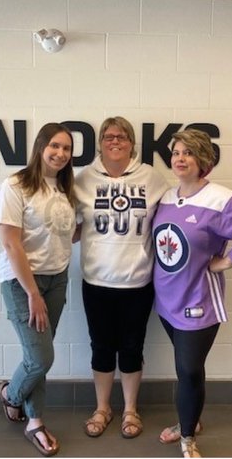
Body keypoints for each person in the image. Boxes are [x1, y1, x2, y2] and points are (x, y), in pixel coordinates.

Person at [151, 129, 232, 457]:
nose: (180, 158)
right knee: (183, 367)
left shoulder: (221, 199)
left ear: (203, 159)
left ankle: (187, 436)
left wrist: (225, 263)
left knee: (189, 369)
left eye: (188, 153)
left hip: (198, 301)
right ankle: (189, 419)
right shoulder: (164, 197)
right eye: (176, 152)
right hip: (165, 300)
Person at [73, 116, 170, 441]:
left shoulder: (151, 178)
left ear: (131, 143)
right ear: (100, 142)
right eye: (109, 136)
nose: (115, 141)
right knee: (100, 348)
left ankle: (130, 409)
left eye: (122, 137)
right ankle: (102, 408)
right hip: (96, 281)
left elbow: (172, 220)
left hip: (137, 283)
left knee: (131, 347)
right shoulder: (83, 179)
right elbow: (68, 226)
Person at [0, 122, 77, 456]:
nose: (60, 153)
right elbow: (11, 244)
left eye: (67, 149)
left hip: (57, 278)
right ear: (41, 146)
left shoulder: (63, 187)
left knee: (37, 355)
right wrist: (33, 294)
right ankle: (11, 397)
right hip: (22, 282)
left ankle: (34, 420)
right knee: (41, 357)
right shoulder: (16, 185)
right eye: (55, 146)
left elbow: (65, 232)